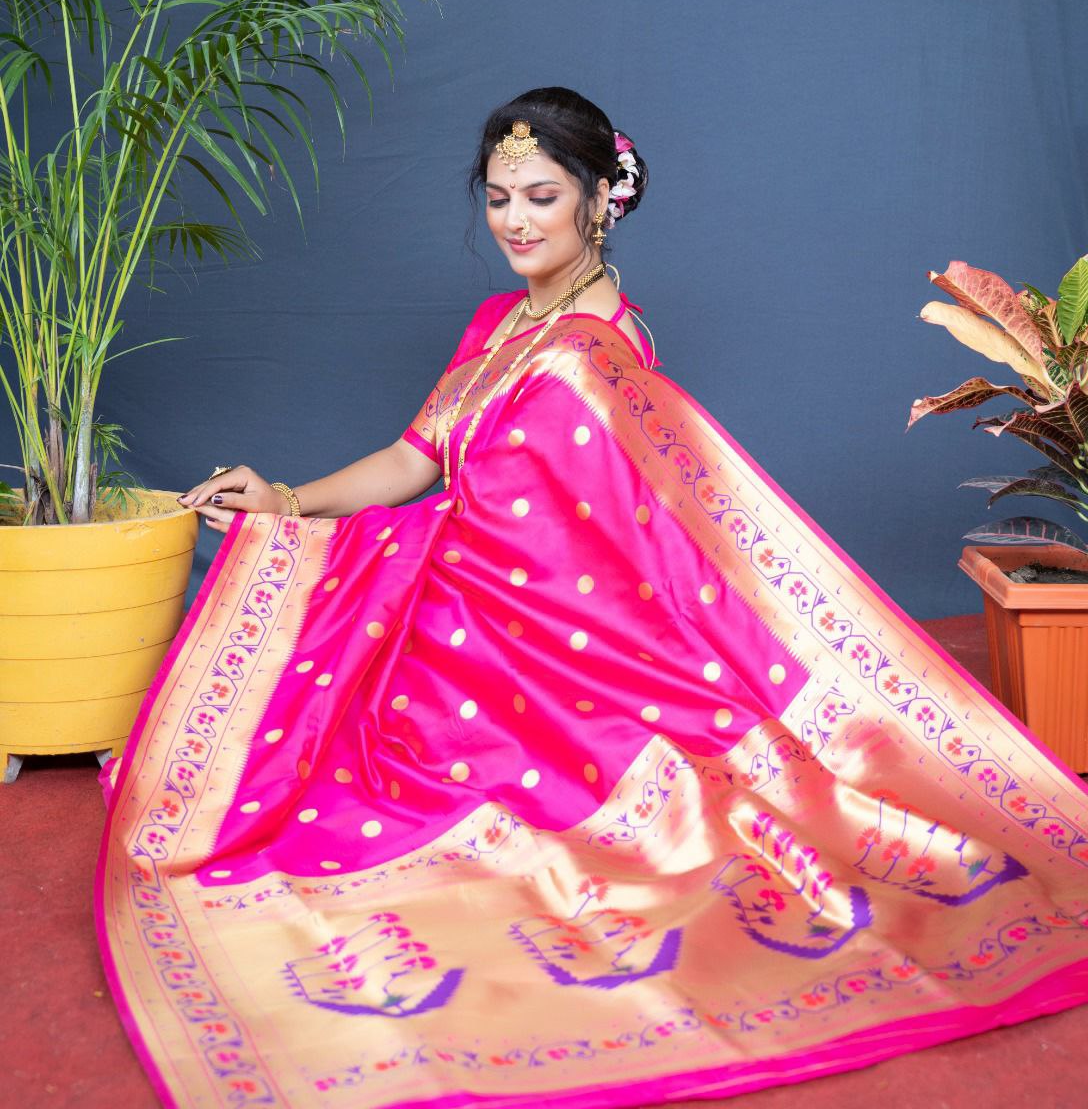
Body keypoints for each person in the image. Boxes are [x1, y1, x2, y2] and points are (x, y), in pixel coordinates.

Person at [97, 88, 1088, 1109]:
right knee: (313, 721)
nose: (515, 221)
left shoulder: (599, 350)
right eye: (496, 198)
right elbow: (414, 456)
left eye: (539, 195)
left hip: (552, 646)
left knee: (357, 760)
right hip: (464, 602)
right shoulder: (503, 319)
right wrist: (290, 502)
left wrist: (350, 553)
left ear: (598, 200)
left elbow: (574, 547)